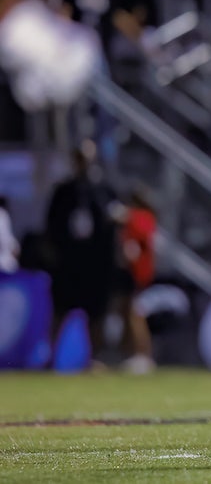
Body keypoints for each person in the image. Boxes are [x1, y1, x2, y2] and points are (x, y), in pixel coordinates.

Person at [45, 140, 122, 365]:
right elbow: (52, 224)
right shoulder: (64, 191)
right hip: (69, 261)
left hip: (94, 262)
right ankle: (50, 357)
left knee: (95, 313)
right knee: (60, 310)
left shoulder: (103, 189)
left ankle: (94, 358)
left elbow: (113, 220)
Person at [115, 187, 158, 374]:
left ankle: (143, 355)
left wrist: (128, 216)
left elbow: (141, 236)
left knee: (136, 314)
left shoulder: (141, 217)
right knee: (128, 312)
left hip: (140, 272)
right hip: (132, 272)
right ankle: (132, 353)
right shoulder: (141, 217)